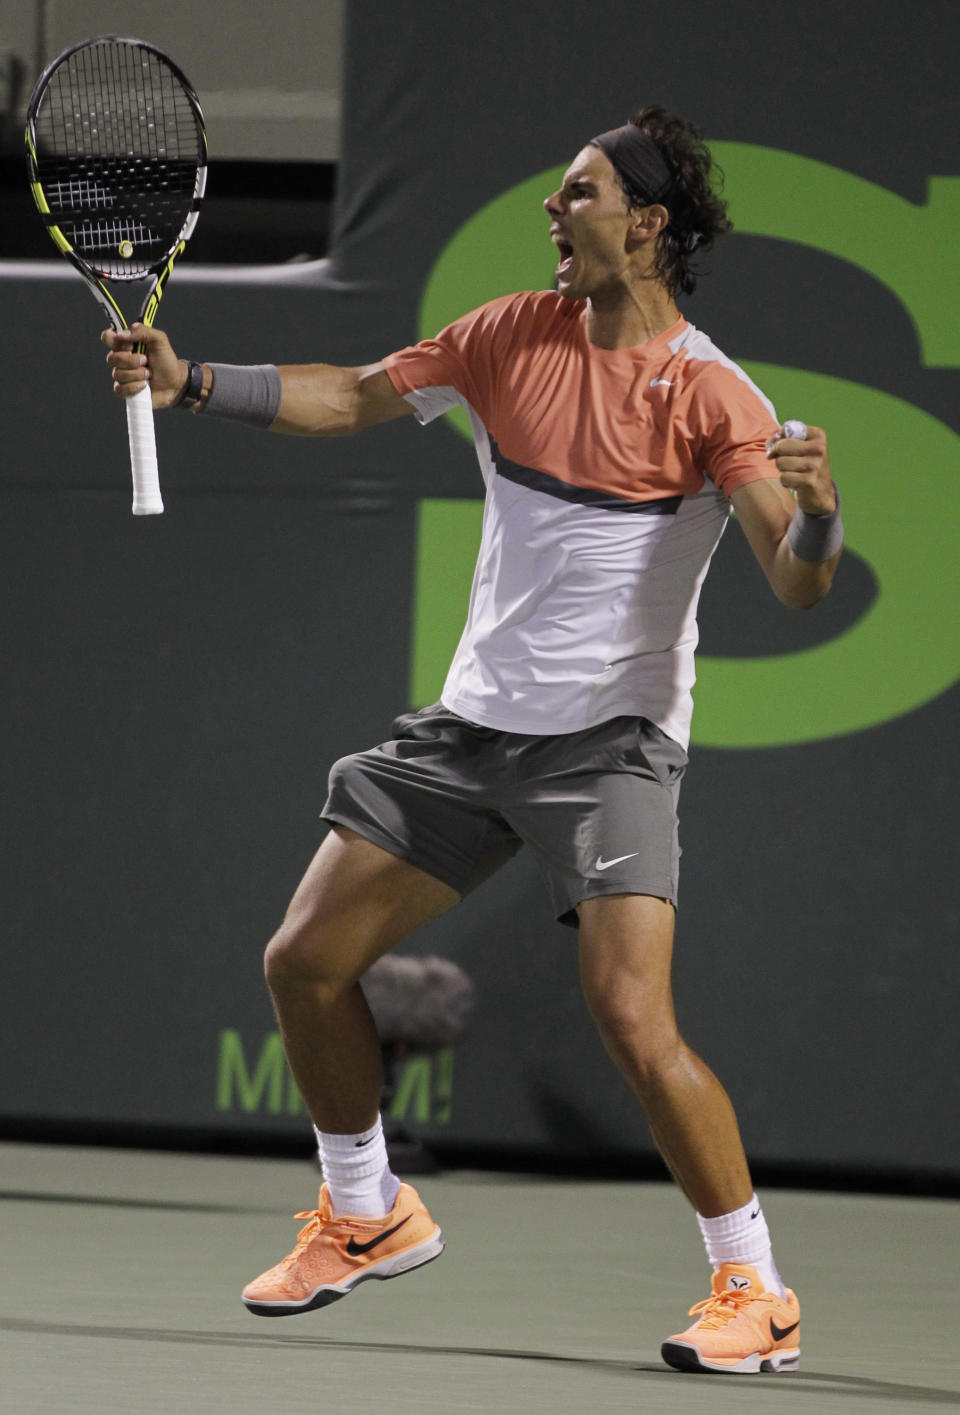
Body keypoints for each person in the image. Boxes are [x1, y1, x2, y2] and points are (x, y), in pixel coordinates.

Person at [104, 104, 842, 1375]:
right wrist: (193, 383)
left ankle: (755, 1286)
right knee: (305, 961)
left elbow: (797, 577)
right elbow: (353, 393)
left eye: (580, 194)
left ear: (648, 225)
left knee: (631, 1017)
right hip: (470, 729)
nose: (553, 212)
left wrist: (822, 518)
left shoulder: (715, 392)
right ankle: (367, 1209)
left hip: (609, 744)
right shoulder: (508, 333)